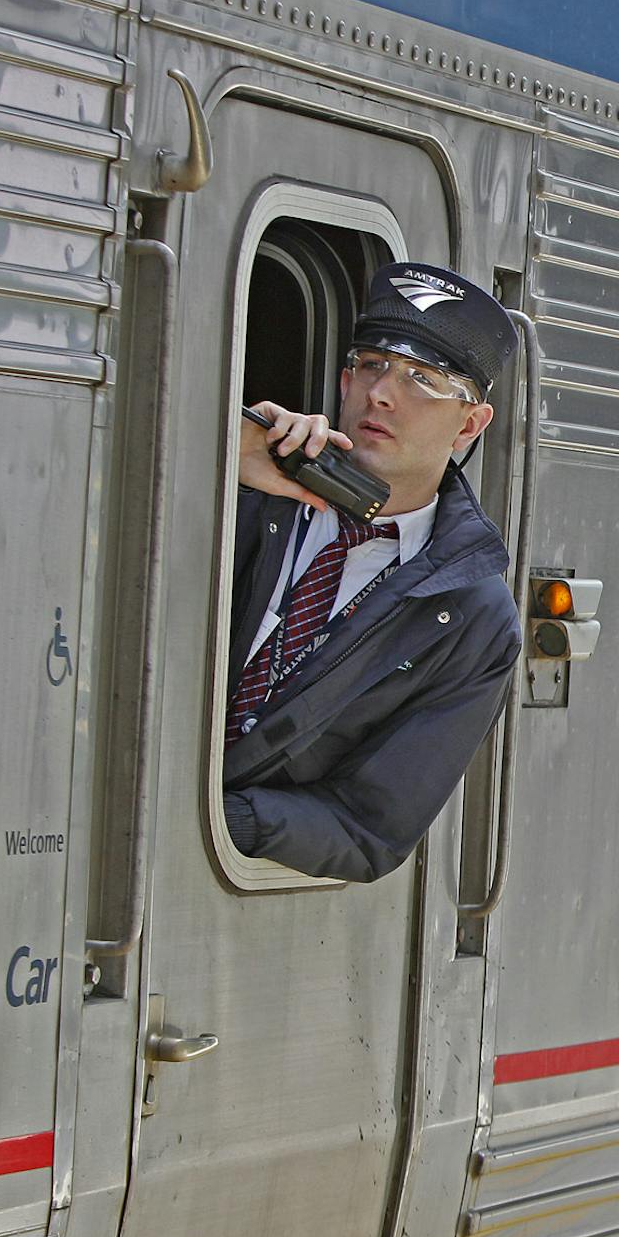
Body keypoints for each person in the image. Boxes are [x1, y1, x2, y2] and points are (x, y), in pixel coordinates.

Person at [221, 263, 521, 882]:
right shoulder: (244, 488)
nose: (381, 393)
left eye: (422, 379)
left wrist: (217, 821)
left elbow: (369, 830)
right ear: (343, 381)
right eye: (371, 364)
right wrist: (219, 453)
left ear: (470, 424)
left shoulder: (474, 616)